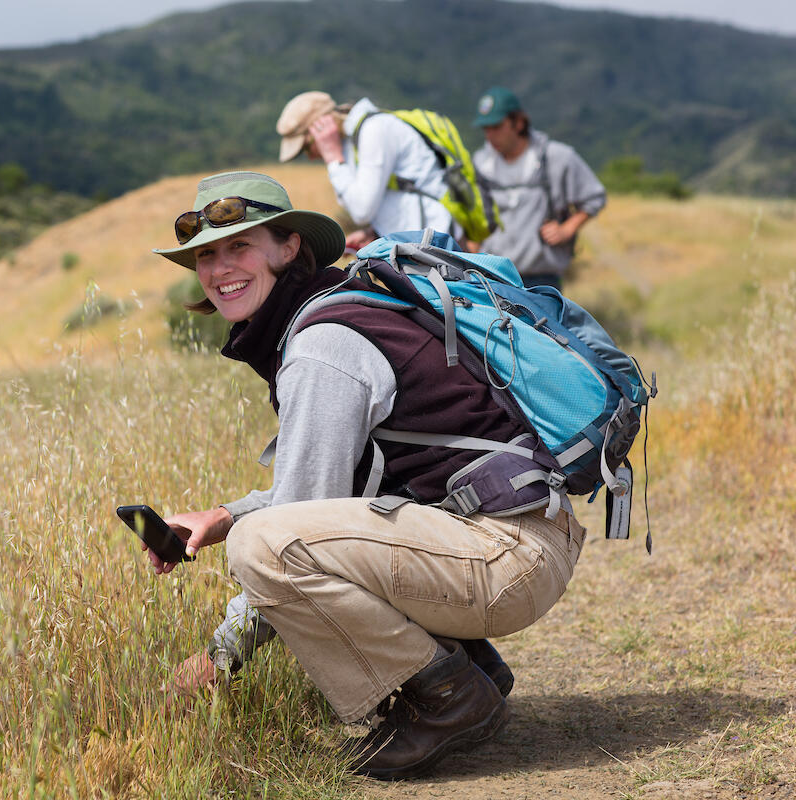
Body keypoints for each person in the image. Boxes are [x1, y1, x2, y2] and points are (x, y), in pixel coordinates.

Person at [149, 171, 586, 779]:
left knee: (263, 546)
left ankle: (447, 698)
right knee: (264, 532)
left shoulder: (322, 345)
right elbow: (337, 493)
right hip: (523, 536)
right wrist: (221, 516)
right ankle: (462, 666)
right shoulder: (347, 304)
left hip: (507, 557)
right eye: (207, 255)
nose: (221, 268)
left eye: (240, 246)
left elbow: (293, 524)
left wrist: (217, 660)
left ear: (288, 247)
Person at [276, 91, 455, 252]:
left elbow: (362, 211)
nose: (310, 157)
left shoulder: (374, 131)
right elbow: (393, 198)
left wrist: (333, 158)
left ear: (322, 130)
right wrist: (375, 232)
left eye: (306, 147)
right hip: (420, 245)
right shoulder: (356, 139)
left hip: (436, 245)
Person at [472, 86, 606, 289]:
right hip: (492, 279)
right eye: (486, 129)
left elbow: (594, 197)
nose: (490, 136)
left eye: (497, 127)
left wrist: (566, 230)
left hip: (542, 280)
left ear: (518, 123)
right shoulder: (480, 163)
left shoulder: (557, 157)